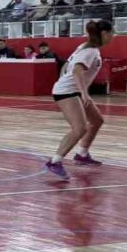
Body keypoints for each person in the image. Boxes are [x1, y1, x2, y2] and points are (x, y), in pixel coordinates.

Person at [45, 20, 113, 179]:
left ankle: (82, 154)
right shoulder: (90, 51)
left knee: (96, 120)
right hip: (67, 92)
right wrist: (84, 93)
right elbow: (76, 71)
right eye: (112, 33)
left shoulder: (85, 47)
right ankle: (54, 162)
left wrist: (64, 80)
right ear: (104, 34)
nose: (113, 36)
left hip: (73, 90)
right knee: (79, 128)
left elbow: (66, 66)